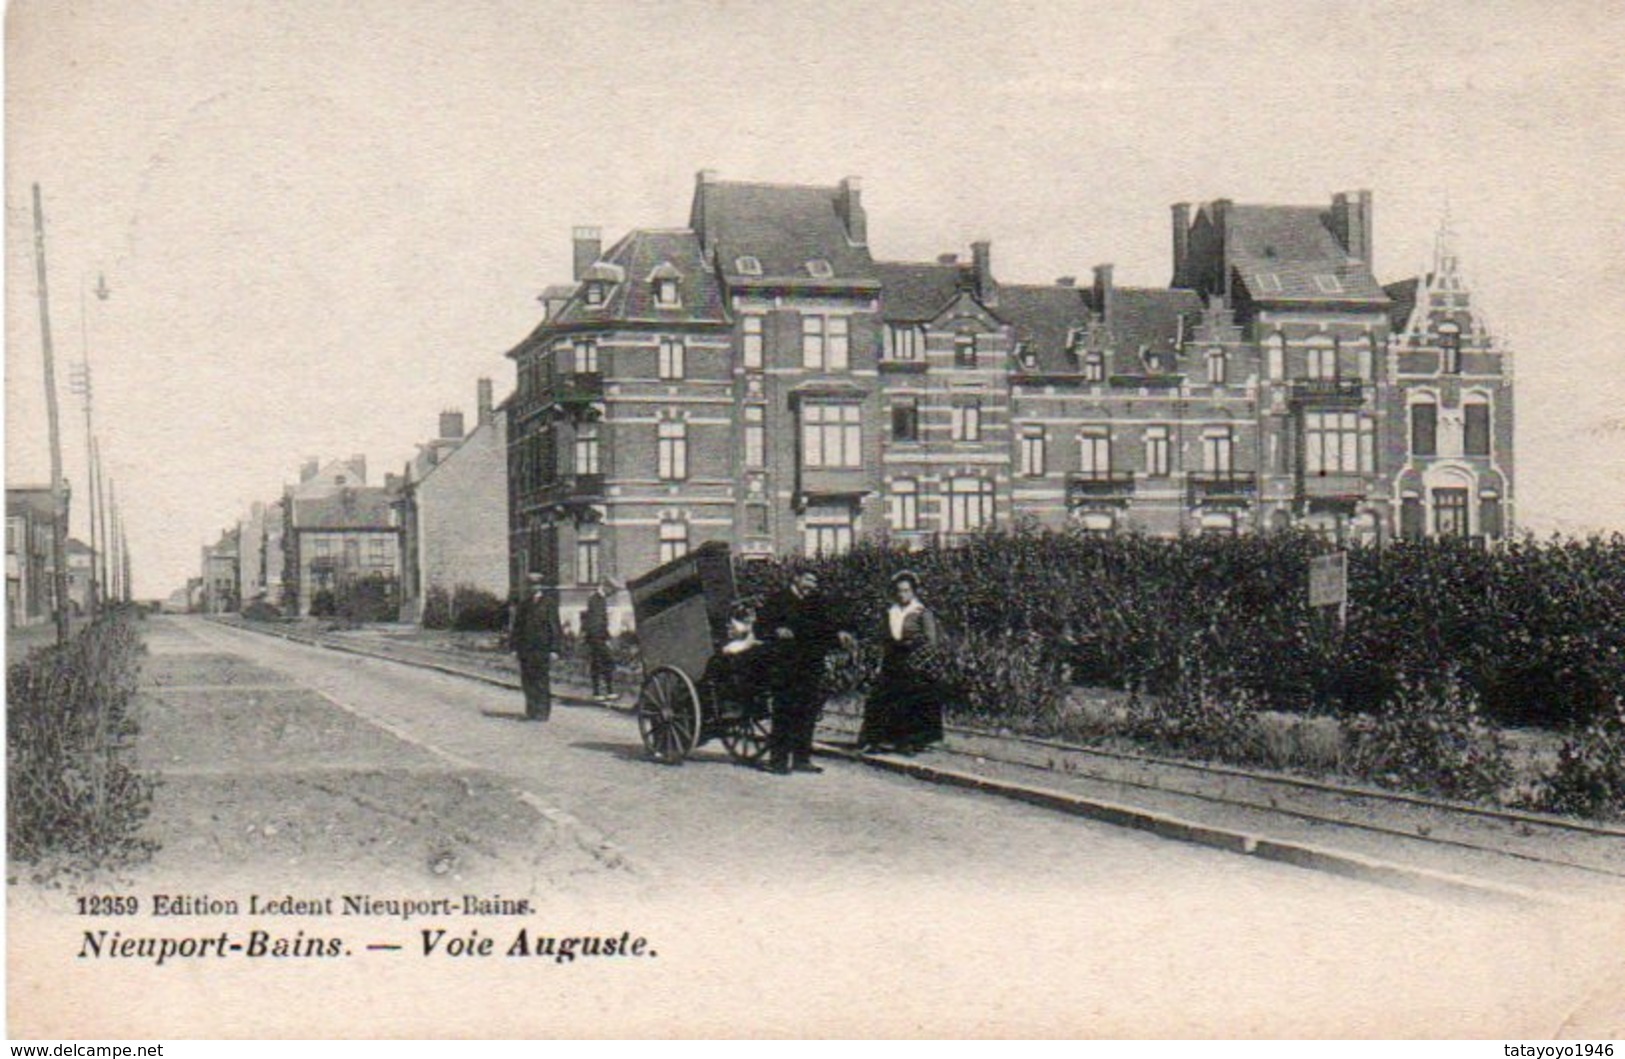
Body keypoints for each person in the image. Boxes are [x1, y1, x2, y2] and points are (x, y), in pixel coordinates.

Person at [758, 570, 849, 775]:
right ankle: (778, 761)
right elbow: (760, 627)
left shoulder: (816, 602)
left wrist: (839, 634)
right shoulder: (778, 600)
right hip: (784, 666)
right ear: (796, 578)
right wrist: (776, 630)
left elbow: (825, 627)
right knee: (784, 712)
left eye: (814, 582)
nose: (811, 585)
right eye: (808, 580)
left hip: (810, 665)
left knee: (808, 712)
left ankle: (802, 758)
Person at [859, 570, 948, 754]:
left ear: (913, 591)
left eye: (906, 590)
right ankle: (876, 740)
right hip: (893, 659)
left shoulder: (922, 612)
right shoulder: (890, 611)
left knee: (910, 701)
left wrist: (917, 660)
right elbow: (883, 637)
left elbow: (932, 642)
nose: (902, 594)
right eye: (899, 591)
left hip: (915, 661)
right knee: (881, 699)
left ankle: (908, 742)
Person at [702, 600, 773, 722]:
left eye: (732, 623)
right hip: (759, 670)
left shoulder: (752, 635)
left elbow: (743, 645)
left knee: (717, 662)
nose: (730, 627)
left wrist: (728, 649)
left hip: (752, 674)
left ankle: (727, 704)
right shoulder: (757, 631)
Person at [509, 575, 561, 721]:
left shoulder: (549, 603)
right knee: (527, 680)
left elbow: (554, 627)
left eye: (536, 585)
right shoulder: (524, 605)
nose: (533, 588)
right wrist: (513, 647)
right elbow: (517, 627)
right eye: (530, 585)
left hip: (542, 648)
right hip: (525, 649)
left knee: (542, 680)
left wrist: (555, 649)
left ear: (541, 587)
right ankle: (531, 710)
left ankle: (543, 712)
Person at [583, 579, 615, 702]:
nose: (612, 594)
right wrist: (603, 639)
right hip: (596, 638)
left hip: (598, 637)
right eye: (612, 590)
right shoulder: (596, 599)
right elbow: (596, 622)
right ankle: (600, 692)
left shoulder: (600, 599)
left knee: (602, 663)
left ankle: (605, 691)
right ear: (606, 587)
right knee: (602, 663)